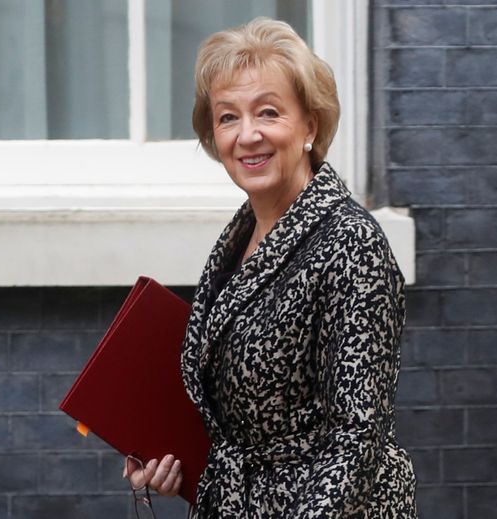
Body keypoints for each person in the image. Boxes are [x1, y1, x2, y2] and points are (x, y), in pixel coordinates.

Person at [126, 17, 417, 518]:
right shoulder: (240, 239)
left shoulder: (351, 243)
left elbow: (358, 434)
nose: (248, 135)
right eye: (227, 118)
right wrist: (173, 464)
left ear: (311, 126)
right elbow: (239, 419)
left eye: (267, 112)